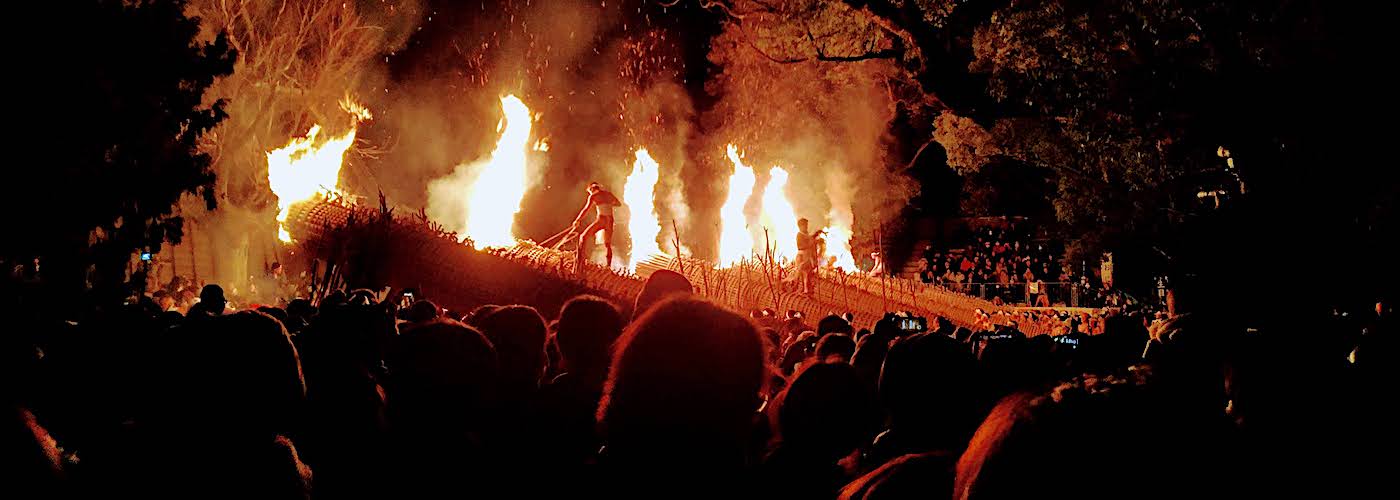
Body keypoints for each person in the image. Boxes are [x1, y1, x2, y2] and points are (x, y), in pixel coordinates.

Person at [571, 182, 622, 271]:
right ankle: (608, 267)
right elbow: (618, 204)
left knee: (583, 237)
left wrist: (577, 220)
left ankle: (579, 263)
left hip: (601, 220)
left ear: (591, 189)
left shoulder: (593, 196)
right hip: (610, 220)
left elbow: (586, 209)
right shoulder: (608, 194)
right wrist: (608, 203)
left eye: (589, 192)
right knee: (607, 244)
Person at [795, 218, 824, 295]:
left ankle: (807, 289)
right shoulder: (799, 235)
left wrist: (817, 234)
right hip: (803, 257)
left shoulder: (805, 234)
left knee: (808, 273)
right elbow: (802, 245)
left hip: (808, 257)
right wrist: (814, 242)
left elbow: (810, 239)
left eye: (806, 225)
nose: (806, 227)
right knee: (805, 273)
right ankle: (805, 289)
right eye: (805, 225)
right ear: (800, 226)